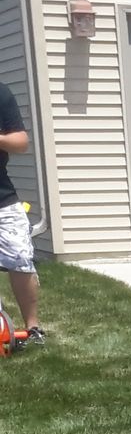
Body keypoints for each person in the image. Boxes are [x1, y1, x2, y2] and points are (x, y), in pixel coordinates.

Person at [0, 78, 40, 344]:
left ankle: (34, 329)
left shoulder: (0, 92)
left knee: (21, 258)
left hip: (2, 197)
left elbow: (21, 142)